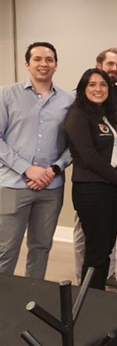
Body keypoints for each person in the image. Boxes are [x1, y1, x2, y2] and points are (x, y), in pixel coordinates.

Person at [0, 42, 72, 279]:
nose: (44, 64)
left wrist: (53, 170)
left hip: (51, 187)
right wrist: (27, 169)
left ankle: (33, 295)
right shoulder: (6, 94)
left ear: (56, 65)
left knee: (41, 248)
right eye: (38, 59)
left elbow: (73, 145)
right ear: (27, 64)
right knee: (6, 250)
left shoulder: (67, 100)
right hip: (13, 184)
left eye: (49, 59)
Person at [64, 68, 117, 290]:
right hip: (91, 189)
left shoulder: (107, 114)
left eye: (103, 85)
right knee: (96, 250)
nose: (98, 89)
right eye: (92, 84)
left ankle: (99, 296)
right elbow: (90, 157)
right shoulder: (77, 116)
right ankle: (90, 299)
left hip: (112, 188)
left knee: (106, 247)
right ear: (83, 88)